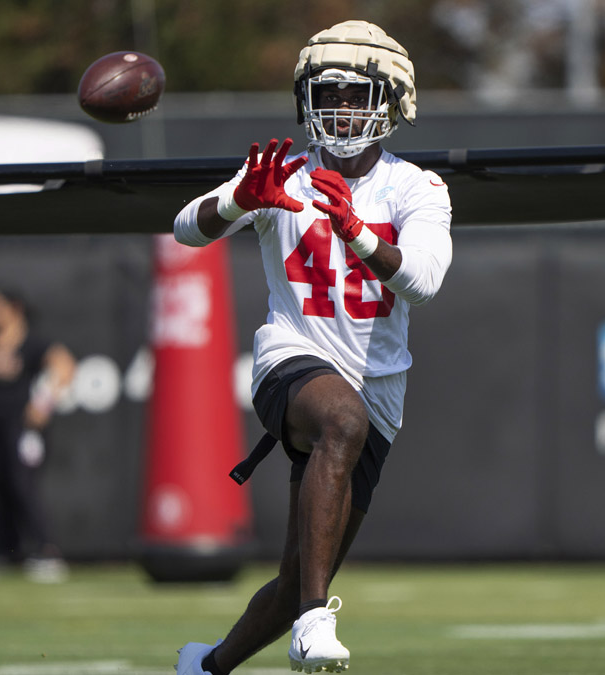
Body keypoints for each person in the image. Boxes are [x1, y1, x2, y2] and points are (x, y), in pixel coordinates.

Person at [172, 20, 452, 675]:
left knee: (296, 578)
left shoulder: (416, 187)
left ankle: (205, 666)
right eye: (329, 94)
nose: (342, 108)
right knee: (340, 418)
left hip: (378, 391)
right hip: (290, 361)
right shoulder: (282, 174)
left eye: (357, 94)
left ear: (393, 101)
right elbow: (186, 228)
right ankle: (315, 620)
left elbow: (425, 281)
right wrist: (239, 201)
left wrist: (355, 232)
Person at [0, 286, 77, 583]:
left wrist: (44, 403)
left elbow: (64, 366)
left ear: (14, 309)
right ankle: (8, 551)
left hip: (22, 426)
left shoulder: (32, 342)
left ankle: (47, 550)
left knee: (22, 483)